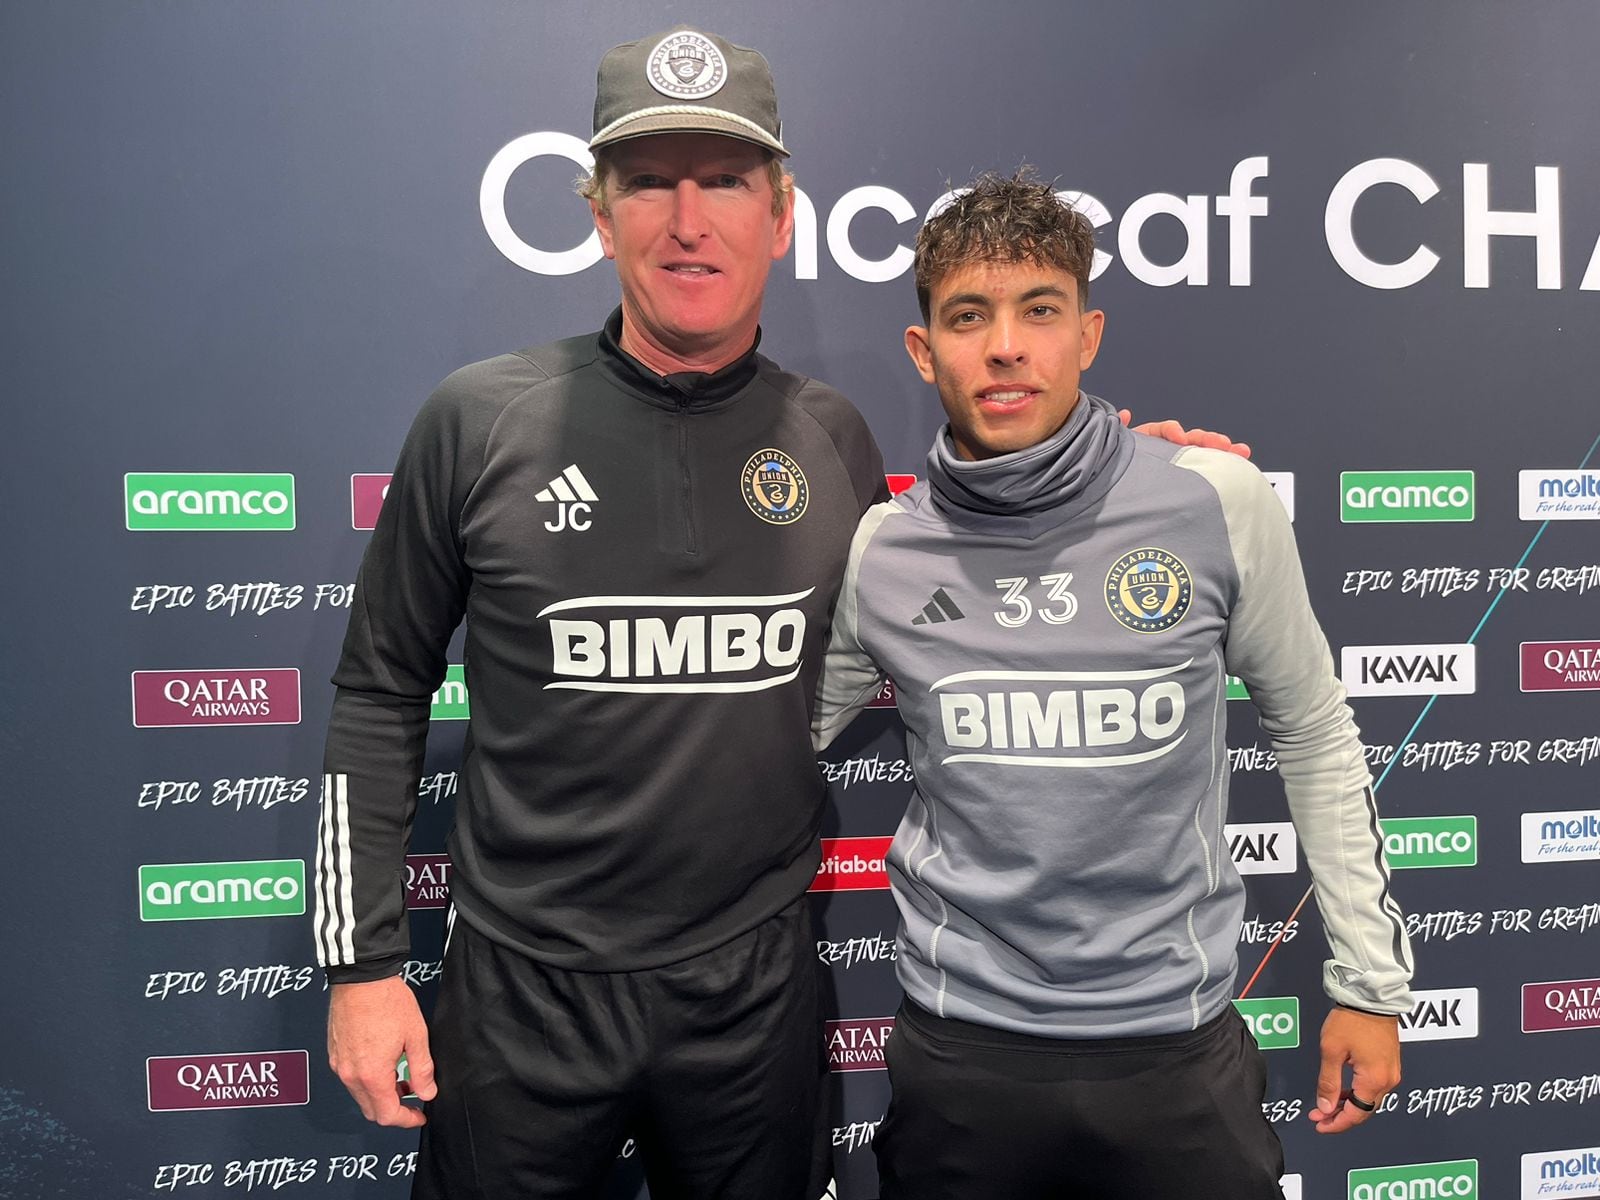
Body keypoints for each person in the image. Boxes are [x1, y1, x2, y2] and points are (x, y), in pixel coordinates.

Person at [315, 28, 1246, 1200]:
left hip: (753, 998)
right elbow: (378, 689)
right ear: (600, 215)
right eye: (649, 182)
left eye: (725, 182)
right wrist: (361, 966)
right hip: (522, 994)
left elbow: (964, 565)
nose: (686, 219)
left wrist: (1114, 483)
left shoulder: (833, 436)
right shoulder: (478, 421)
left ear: (782, 214)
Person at [811, 171, 1414, 1200]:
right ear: (925, 351)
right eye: (969, 315)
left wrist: (1368, 982)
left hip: (1173, 1061)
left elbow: (1312, 729)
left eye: (1038, 310)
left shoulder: (1212, 498)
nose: (1006, 346)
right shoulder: (885, 549)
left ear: (1086, 335)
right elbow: (753, 746)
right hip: (962, 1064)